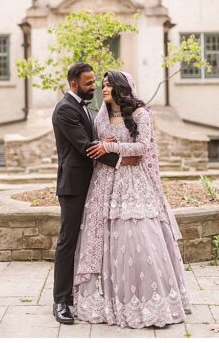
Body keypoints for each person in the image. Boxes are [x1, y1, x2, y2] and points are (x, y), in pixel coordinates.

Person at [74, 70, 191, 327]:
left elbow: (141, 149)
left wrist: (111, 146)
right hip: (105, 184)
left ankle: (150, 302)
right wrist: (105, 142)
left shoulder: (141, 115)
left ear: (120, 88)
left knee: (139, 238)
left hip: (134, 185)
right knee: (104, 240)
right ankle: (108, 303)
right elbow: (100, 146)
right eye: (102, 85)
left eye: (107, 85)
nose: (103, 89)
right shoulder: (100, 119)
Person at [50, 62, 123, 324]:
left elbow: (94, 141)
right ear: (73, 84)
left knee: (88, 240)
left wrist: (109, 143)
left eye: (94, 82)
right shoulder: (65, 110)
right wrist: (123, 159)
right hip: (73, 186)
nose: (94, 86)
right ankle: (61, 301)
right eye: (88, 83)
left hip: (90, 183)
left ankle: (81, 293)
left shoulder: (85, 106)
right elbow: (85, 147)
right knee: (68, 241)